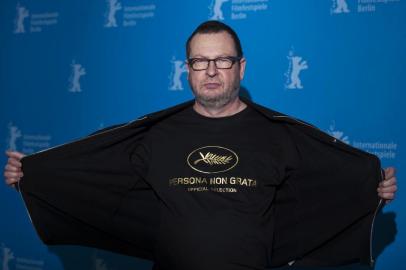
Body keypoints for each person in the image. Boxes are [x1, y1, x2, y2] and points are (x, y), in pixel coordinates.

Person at [3, 21, 398, 270]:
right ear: (186, 70)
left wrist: (370, 186)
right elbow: (91, 173)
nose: (211, 70)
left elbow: (327, 186)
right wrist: (34, 172)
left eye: (223, 60)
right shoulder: (154, 134)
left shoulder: (280, 135)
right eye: (199, 61)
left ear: (241, 68)